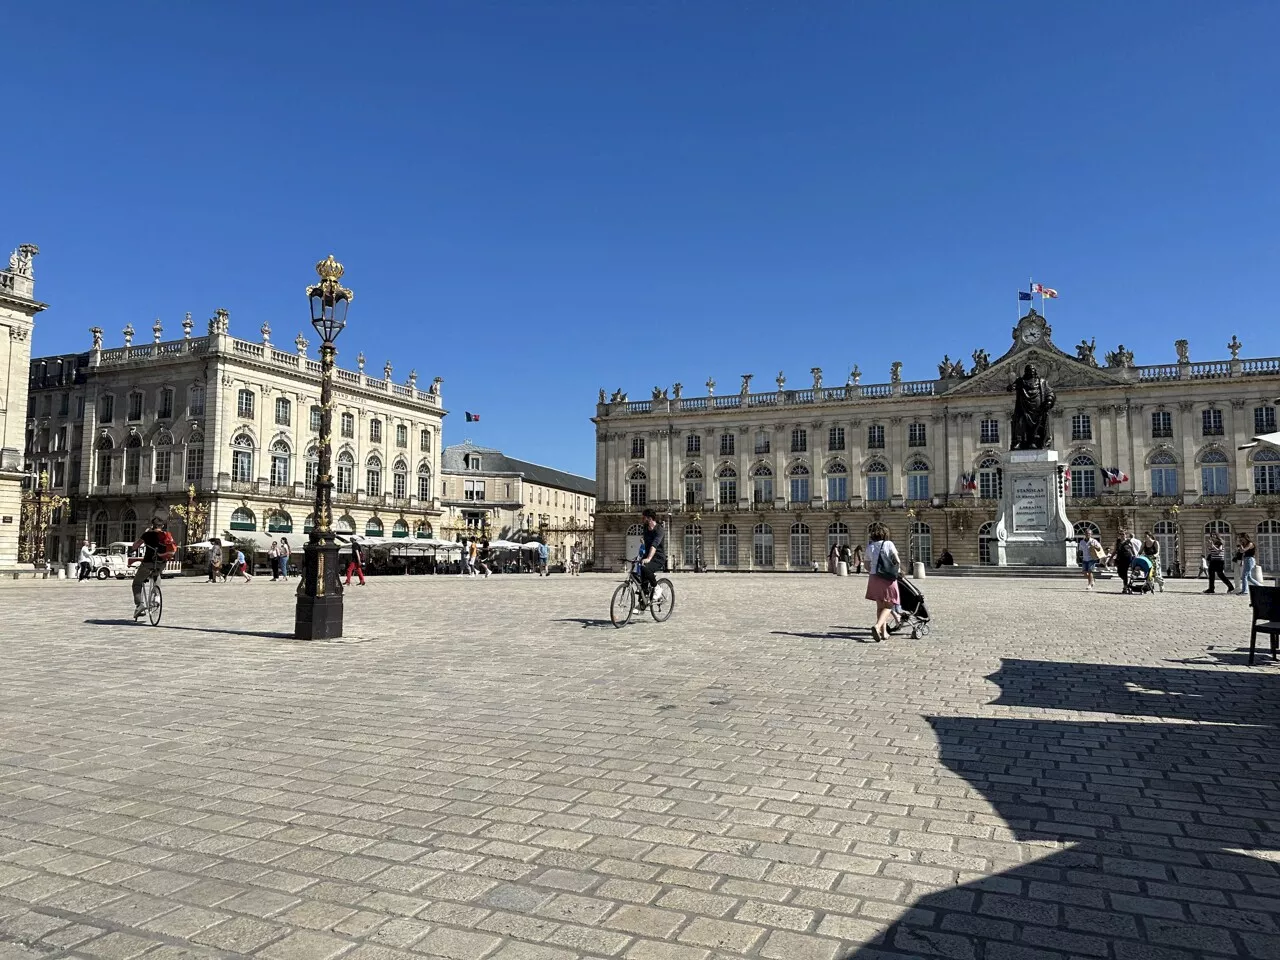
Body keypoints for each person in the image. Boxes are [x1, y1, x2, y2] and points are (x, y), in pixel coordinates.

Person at [130, 519, 175, 617]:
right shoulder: (166, 534)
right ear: (162, 526)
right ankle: (156, 596)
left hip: (148, 562)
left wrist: (133, 547)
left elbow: (135, 546)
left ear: (152, 525)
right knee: (157, 574)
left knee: (137, 583)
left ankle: (139, 606)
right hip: (161, 563)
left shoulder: (147, 534)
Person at [864, 521, 900, 642]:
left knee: (880, 606)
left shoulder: (870, 546)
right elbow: (897, 560)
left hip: (874, 577)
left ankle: (884, 633)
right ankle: (877, 626)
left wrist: (874, 570)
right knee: (890, 605)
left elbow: (866, 565)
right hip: (887, 577)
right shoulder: (889, 544)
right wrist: (896, 570)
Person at [635, 508, 666, 607]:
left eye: (643, 517)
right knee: (641, 578)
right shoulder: (645, 528)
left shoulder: (659, 530)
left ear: (649, 519)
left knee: (645, 568)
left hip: (658, 558)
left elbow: (654, 545)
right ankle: (642, 603)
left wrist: (648, 558)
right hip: (647, 555)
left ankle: (657, 588)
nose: (642, 519)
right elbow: (645, 543)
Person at [1111, 530, 1137, 594]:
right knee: (1119, 572)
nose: (1122, 535)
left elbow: (1132, 549)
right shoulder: (1117, 542)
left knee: (1125, 572)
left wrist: (1134, 556)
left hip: (1127, 558)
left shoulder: (1128, 541)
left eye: (1123, 534)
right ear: (1119, 535)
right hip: (1119, 558)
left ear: (1125, 535)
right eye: (1121, 534)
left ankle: (1125, 587)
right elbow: (1114, 551)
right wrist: (1110, 558)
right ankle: (1126, 584)